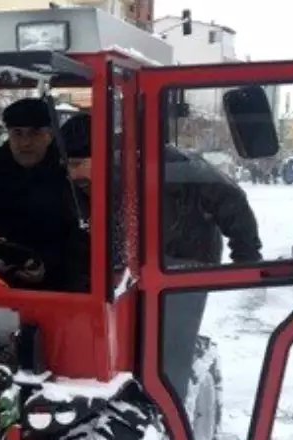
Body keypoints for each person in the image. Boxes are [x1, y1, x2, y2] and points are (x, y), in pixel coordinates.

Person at [60, 112, 263, 398]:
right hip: (129, 263)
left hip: (183, 263)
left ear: (106, 155)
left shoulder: (174, 168)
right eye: (68, 165)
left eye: (78, 164)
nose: (72, 173)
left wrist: (246, 253)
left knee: (168, 349)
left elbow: (231, 198)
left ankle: (170, 405)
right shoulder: (86, 182)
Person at [0, 97, 86, 290]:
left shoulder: (67, 171)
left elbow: (79, 236)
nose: (25, 142)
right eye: (17, 133)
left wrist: (47, 267)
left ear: (49, 135)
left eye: (34, 133)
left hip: (61, 286)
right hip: (0, 278)